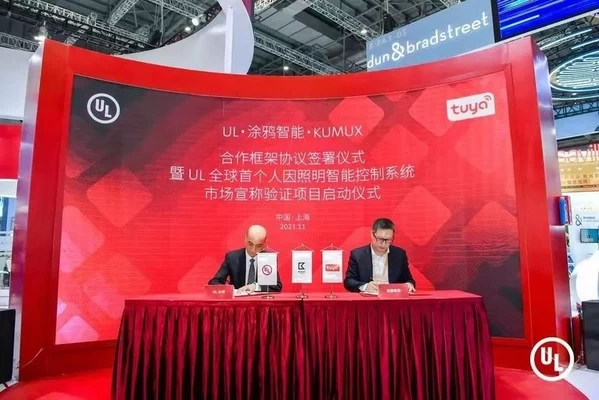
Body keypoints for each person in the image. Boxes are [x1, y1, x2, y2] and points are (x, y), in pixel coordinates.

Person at [344, 218, 416, 294]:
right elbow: (349, 281)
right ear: (372, 234)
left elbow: (409, 279)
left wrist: (409, 284)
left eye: (388, 240)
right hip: (368, 298)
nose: (384, 244)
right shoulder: (358, 255)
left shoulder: (399, 254)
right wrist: (366, 286)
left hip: (392, 297)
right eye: (380, 239)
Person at [208, 225, 282, 293]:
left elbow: (277, 286)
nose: (253, 249)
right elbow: (214, 282)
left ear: (265, 243)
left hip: (260, 300)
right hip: (238, 301)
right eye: (250, 244)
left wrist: (256, 286)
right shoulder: (232, 258)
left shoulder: (267, 258)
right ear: (245, 238)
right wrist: (229, 290)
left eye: (258, 246)